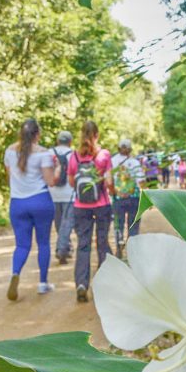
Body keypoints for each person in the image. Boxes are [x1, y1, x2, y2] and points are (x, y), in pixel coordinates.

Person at [4, 119, 58, 299]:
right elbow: (50, 181)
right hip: (40, 201)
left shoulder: (10, 151)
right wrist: (58, 169)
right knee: (43, 243)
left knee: (21, 245)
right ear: (37, 134)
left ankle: (15, 273)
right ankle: (43, 283)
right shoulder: (43, 153)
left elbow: (10, 176)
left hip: (18, 203)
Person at [68, 120, 114, 302]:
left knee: (83, 245)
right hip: (101, 204)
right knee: (102, 243)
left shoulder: (74, 156)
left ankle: (81, 284)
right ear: (97, 135)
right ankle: (105, 285)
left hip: (80, 207)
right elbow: (109, 182)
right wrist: (111, 190)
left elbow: (71, 182)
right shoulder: (104, 155)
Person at [111, 138, 145, 257]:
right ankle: (132, 251)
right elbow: (141, 181)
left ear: (118, 148)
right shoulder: (135, 162)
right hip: (133, 197)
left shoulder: (112, 161)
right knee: (133, 225)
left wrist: (113, 192)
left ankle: (119, 244)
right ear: (130, 149)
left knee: (118, 224)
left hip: (118, 198)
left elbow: (109, 180)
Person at [49, 131, 75, 264]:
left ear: (58, 140)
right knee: (68, 222)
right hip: (69, 193)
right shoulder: (73, 154)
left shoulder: (49, 153)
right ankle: (62, 248)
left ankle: (64, 247)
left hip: (52, 193)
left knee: (58, 223)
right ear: (70, 141)